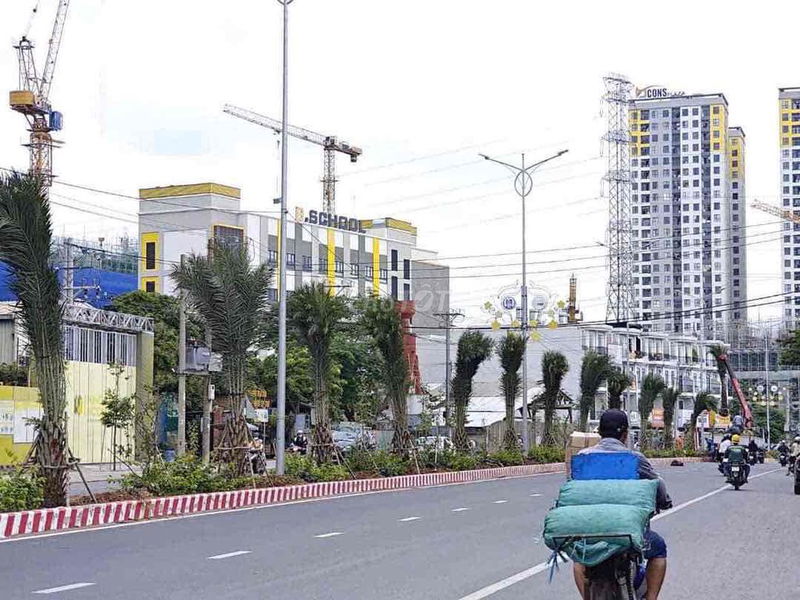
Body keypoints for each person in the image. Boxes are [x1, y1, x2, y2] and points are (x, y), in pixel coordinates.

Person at [572, 410, 672, 600]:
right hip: (627, 532)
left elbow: (574, 490)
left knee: (579, 559)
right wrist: (664, 501)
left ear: (599, 432)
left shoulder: (583, 457)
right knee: (658, 548)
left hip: (592, 530)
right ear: (625, 434)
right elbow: (658, 485)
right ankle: (651, 598)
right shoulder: (634, 458)